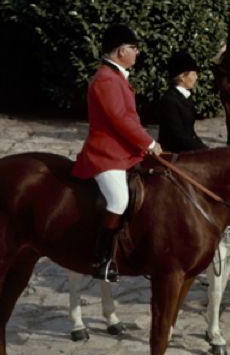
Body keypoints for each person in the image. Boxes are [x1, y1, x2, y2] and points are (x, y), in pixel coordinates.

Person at [72, 23, 161, 282]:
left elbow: (129, 119)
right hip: (106, 154)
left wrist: (146, 143)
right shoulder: (105, 79)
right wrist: (148, 143)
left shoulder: (116, 76)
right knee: (119, 200)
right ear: (121, 50)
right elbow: (119, 119)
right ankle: (102, 259)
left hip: (125, 150)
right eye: (134, 48)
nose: (137, 53)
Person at [155, 50, 207, 153]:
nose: (196, 77)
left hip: (185, 149)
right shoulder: (169, 100)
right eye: (193, 74)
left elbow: (190, 133)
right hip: (174, 153)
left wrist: (205, 149)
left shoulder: (185, 97)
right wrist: (202, 151)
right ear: (182, 77)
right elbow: (178, 136)